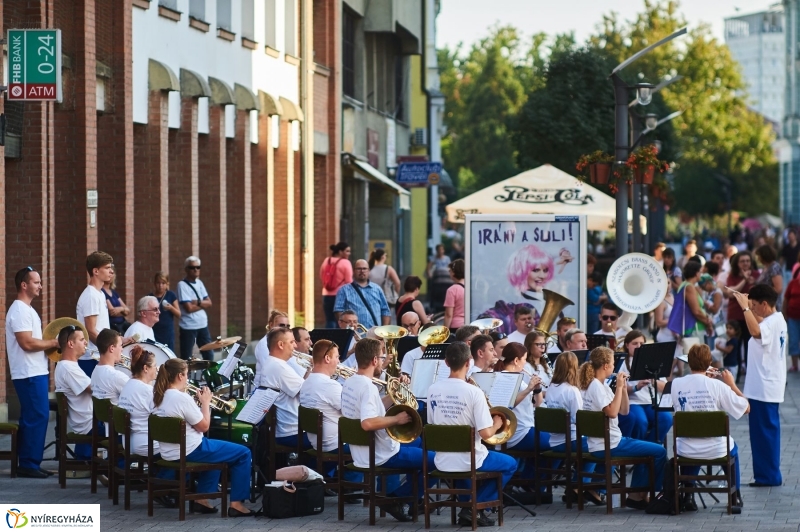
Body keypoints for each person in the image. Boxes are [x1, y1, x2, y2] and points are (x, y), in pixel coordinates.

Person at [340, 338, 434, 522]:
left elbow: (373, 409)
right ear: (375, 360)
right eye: (382, 357)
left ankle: (410, 498)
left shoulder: (351, 382)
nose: (383, 362)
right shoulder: (368, 387)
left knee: (418, 443)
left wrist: (393, 395)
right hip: (380, 453)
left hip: (363, 450)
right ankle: (396, 499)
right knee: (438, 461)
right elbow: (367, 423)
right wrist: (397, 419)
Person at [427, 342, 517, 527]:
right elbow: (485, 434)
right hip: (470, 460)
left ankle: (471, 508)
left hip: (442, 459)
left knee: (466, 460)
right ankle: (474, 507)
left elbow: (433, 424)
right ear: (469, 362)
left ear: (446, 363)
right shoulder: (474, 392)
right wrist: (497, 423)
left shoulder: (432, 389)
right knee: (510, 464)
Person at [152, 359, 253, 516]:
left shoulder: (159, 396)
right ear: (180, 376)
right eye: (187, 375)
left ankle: (202, 500)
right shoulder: (182, 398)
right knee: (243, 453)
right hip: (190, 450)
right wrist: (205, 403)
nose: (187, 379)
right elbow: (204, 426)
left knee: (219, 454)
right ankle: (236, 504)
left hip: (169, 452)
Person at [579, 347, 666, 509]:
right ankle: (641, 495)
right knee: (660, 452)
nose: (614, 368)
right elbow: (612, 413)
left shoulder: (600, 385)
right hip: (609, 443)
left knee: (649, 449)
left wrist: (624, 389)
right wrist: (618, 387)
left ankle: (637, 494)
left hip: (607, 441)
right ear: (605, 366)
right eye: (612, 364)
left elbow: (624, 410)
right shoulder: (596, 386)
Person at [671, 343, 749, 510]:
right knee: (731, 448)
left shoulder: (677, 384)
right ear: (709, 363)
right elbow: (746, 408)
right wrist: (732, 385)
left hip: (686, 449)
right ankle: (735, 495)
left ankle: (688, 495)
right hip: (716, 448)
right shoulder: (718, 386)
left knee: (693, 442)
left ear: (688, 362)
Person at [731, 284, 787, 487]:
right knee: (763, 433)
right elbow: (760, 324)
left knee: (764, 433)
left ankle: (768, 476)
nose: (753, 309)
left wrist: (745, 308)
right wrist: (746, 303)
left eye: (755, 305)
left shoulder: (771, 323)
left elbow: (755, 331)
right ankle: (767, 474)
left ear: (765, 304)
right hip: (766, 385)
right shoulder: (776, 319)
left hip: (764, 386)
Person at [6, 267, 59, 478]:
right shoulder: (19, 310)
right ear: (24, 285)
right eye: (36, 282)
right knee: (37, 415)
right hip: (28, 372)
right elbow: (26, 343)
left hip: (35, 371)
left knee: (35, 415)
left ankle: (31, 462)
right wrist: (53, 342)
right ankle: (28, 463)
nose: (40, 286)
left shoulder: (28, 309)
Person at [298, 339, 361, 485]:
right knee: (372, 442)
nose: (339, 362)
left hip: (318, 442)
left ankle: (339, 478)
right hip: (333, 444)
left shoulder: (307, 382)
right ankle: (351, 485)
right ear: (327, 358)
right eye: (337, 357)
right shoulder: (330, 385)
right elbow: (353, 413)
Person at [544, 351, 601, 504]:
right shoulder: (572, 390)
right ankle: (581, 487)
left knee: (595, 445)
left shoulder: (551, 388)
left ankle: (582, 486)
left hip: (554, 441)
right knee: (601, 446)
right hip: (570, 441)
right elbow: (579, 419)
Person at [492, 343, 546, 472]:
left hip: (526, 428)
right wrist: (528, 389)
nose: (525, 363)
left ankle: (529, 481)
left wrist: (537, 390)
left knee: (558, 441)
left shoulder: (518, 378)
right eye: (524, 359)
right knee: (559, 442)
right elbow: (506, 406)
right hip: (518, 433)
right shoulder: (504, 378)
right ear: (516, 360)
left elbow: (537, 404)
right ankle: (531, 481)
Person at [257, 327, 310, 448]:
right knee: (333, 441)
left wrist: (310, 369)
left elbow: (303, 385)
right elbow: (307, 392)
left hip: (287, 429)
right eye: (291, 342)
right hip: (293, 431)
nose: (295, 346)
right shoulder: (279, 367)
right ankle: (313, 467)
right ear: (281, 344)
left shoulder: (273, 363)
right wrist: (320, 370)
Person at [616, 331, 672, 444]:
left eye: (642, 343)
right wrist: (636, 387)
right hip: (633, 402)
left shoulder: (654, 361)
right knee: (641, 422)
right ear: (627, 345)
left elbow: (665, 388)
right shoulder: (622, 363)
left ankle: (649, 454)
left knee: (667, 419)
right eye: (635, 343)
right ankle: (641, 453)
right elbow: (618, 389)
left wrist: (652, 379)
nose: (639, 346)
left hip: (651, 402)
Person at [54, 325, 94, 460]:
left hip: (90, 422)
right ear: (71, 343)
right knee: (133, 430)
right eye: (82, 339)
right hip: (90, 425)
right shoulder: (68, 368)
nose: (86, 342)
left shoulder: (68, 366)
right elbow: (95, 391)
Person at [668, 261, 713, 375]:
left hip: (691, 328)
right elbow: (696, 311)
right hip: (694, 329)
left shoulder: (685, 285)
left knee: (691, 362)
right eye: (700, 272)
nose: (701, 275)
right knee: (696, 362)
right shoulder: (689, 287)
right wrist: (708, 323)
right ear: (696, 273)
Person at [77, 251, 114, 376]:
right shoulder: (91, 295)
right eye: (107, 268)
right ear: (96, 271)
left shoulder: (100, 293)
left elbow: (101, 327)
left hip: (98, 355)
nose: (111, 271)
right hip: (91, 357)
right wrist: (109, 349)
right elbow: (91, 330)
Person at [117, 347, 159, 457]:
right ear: (146, 368)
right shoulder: (147, 390)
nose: (157, 369)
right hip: (146, 444)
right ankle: (165, 474)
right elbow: (165, 416)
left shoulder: (128, 385)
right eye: (154, 366)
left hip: (128, 443)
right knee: (185, 444)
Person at [333, 259, 391, 329]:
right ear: (353, 270)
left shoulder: (377, 289)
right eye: (359, 269)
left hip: (375, 335)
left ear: (369, 270)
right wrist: (347, 328)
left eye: (364, 268)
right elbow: (338, 311)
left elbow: (385, 311)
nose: (362, 271)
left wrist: (383, 331)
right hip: (354, 335)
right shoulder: (343, 290)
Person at [507, 244, 555, 326]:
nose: (542, 276)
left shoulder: (546, 301)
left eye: (545, 270)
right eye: (536, 270)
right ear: (522, 271)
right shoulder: (517, 304)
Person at [725, 251, 758, 369]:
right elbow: (729, 293)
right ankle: (737, 371)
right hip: (735, 315)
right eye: (742, 261)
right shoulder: (732, 276)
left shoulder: (756, 274)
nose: (745, 263)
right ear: (737, 263)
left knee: (750, 344)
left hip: (751, 315)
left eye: (748, 261)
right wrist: (744, 280)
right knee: (736, 345)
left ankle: (749, 369)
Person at [177, 256, 213, 361]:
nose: (196, 270)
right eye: (192, 267)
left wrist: (198, 302)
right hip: (188, 326)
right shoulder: (182, 285)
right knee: (186, 357)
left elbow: (210, 303)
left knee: (209, 355)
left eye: (198, 267)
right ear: (186, 269)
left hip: (202, 324)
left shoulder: (200, 283)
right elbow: (188, 308)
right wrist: (203, 304)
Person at [255, 310, 306, 379]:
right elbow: (272, 369)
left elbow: (293, 364)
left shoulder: (284, 341)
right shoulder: (264, 344)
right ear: (271, 325)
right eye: (281, 325)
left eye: (287, 326)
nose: (285, 329)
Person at [90, 329, 129, 405]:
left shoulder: (95, 371)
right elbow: (141, 394)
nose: (122, 349)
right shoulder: (116, 376)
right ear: (111, 348)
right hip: (117, 416)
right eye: (121, 345)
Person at [321, 242, 353, 328]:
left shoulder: (326, 260)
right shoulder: (345, 262)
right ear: (340, 251)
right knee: (341, 321)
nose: (349, 253)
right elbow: (349, 281)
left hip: (326, 294)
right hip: (340, 295)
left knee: (329, 320)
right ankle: (339, 340)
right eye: (347, 251)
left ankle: (328, 340)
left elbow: (322, 275)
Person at [149, 271, 180, 351]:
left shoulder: (170, 295)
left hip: (167, 331)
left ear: (167, 284)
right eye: (158, 283)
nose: (160, 286)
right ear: (154, 283)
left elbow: (179, 314)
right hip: (154, 330)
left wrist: (171, 308)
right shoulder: (150, 297)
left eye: (163, 283)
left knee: (168, 353)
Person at [654, 288, 682, 362]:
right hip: (665, 338)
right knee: (668, 369)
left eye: (669, 283)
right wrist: (672, 319)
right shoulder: (661, 302)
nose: (668, 286)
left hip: (676, 337)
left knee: (679, 369)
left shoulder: (673, 296)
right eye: (666, 284)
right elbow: (659, 322)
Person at [754, 245, 783, 310]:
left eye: (759, 256)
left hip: (771, 305)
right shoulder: (766, 267)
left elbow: (778, 289)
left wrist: (762, 291)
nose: (758, 258)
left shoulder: (774, 267)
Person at [103, 269, 130, 334]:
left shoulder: (114, 292)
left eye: (112, 273)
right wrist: (123, 311)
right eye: (109, 272)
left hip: (123, 323)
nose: (110, 275)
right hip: (114, 326)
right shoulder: (102, 292)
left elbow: (128, 311)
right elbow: (112, 312)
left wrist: (120, 309)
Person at [427, 244, 452, 313]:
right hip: (437, 278)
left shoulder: (447, 258)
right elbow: (428, 267)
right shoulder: (434, 258)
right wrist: (430, 275)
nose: (440, 251)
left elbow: (450, 267)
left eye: (441, 249)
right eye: (439, 250)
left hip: (446, 278)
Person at [783, 268, 800, 372]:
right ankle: (794, 365)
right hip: (792, 317)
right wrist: (784, 313)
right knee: (793, 340)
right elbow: (786, 299)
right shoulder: (792, 284)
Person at [443, 259, 465, 330]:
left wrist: (444, 332)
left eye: (450, 271)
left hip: (456, 327)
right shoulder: (470, 288)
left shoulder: (452, 290)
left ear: (453, 272)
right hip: (469, 325)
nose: (449, 273)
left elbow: (449, 315)